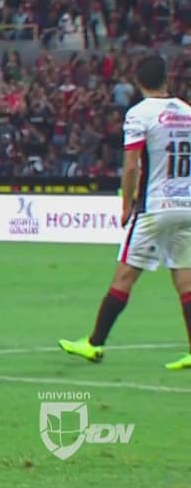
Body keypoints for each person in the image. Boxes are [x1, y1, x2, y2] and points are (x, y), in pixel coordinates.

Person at [60, 54, 191, 371]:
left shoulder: (139, 114)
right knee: (186, 282)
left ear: (138, 81)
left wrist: (126, 204)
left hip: (154, 208)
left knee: (124, 277)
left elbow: (132, 164)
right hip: (187, 206)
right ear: (166, 79)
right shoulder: (187, 112)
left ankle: (94, 343)